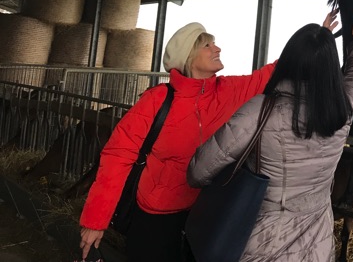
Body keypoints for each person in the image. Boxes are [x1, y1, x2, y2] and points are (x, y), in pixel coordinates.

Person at [78, 22, 276, 262]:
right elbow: (118, 157)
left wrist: (312, 40)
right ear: (188, 56)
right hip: (156, 215)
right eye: (207, 45)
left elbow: (270, 74)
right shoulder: (157, 99)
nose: (217, 48)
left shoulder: (228, 90)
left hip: (204, 213)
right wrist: (95, 221)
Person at [187, 10, 353, 262]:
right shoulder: (343, 112)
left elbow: (198, 172)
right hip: (318, 245)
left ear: (288, 60)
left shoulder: (260, 110)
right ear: (329, 68)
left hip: (264, 244)